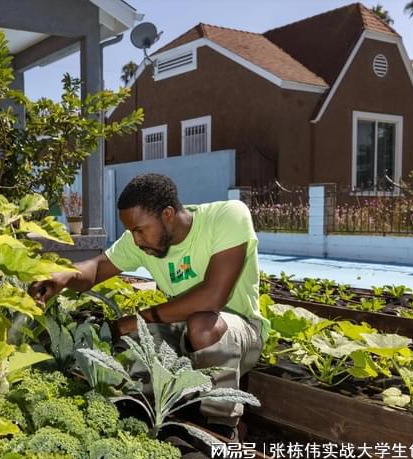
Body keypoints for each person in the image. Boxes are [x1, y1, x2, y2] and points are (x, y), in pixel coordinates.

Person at [29, 173, 269, 440]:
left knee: (201, 324)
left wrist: (138, 319)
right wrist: (62, 275)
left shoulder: (227, 217)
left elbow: (212, 297)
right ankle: (155, 408)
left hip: (237, 336)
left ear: (167, 214)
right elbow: (96, 268)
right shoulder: (143, 243)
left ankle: (220, 425)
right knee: (130, 340)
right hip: (182, 333)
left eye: (139, 230)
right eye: (132, 232)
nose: (136, 239)